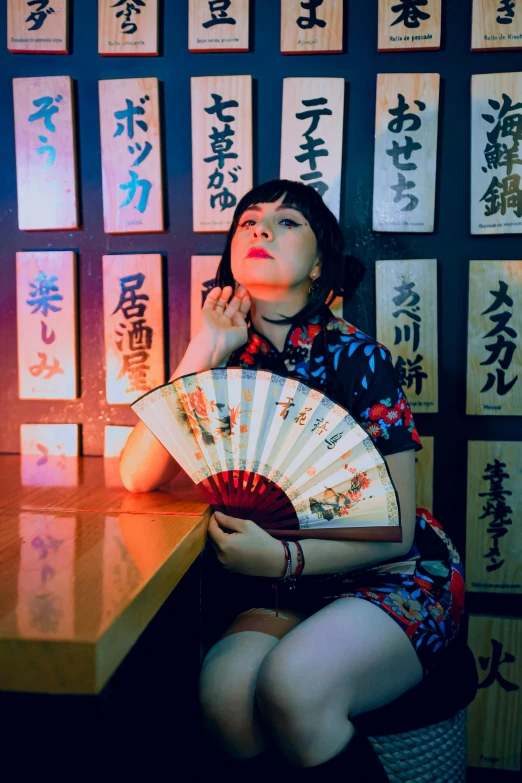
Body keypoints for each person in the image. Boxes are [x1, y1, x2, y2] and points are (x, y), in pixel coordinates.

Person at [119, 180, 465, 781]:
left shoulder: (361, 359)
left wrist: (281, 560)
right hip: (281, 586)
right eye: (249, 221)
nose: (261, 230)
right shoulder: (227, 358)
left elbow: (395, 531)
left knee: (294, 685)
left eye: (287, 223)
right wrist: (205, 346)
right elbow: (138, 476)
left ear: (320, 264)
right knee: (223, 696)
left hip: (389, 573)